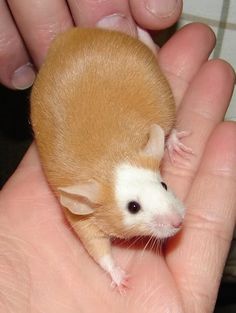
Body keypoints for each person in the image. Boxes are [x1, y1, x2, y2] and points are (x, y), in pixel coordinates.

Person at [0, 1, 235, 312]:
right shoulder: (86, 204)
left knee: (159, 112)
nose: (175, 217)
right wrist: (110, 266)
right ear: (82, 202)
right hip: (84, 73)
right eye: (134, 207)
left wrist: (167, 133)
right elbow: (86, 226)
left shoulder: (121, 175)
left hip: (108, 68)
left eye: (162, 186)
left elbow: (151, 122)